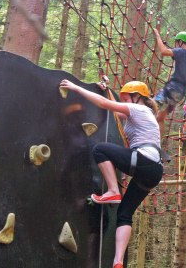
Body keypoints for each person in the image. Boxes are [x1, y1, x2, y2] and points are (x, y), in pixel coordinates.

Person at [59, 79, 164, 268]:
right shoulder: (140, 113)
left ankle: (113, 190)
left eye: (125, 98)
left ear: (137, 97)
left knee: (100, 150)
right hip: (153, 170)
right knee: (124, 213)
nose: (123, 101)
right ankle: (118, 261)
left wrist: (76, 88)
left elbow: (105, 105)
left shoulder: (139, 110)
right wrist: (106, 90)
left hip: (143, 159)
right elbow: (113, 110)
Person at [152, 29, 186, 135]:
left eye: (177, 43)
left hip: (172, 88)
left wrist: (158, 36)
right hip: (181, 93)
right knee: (159, 118)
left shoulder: (181, 51)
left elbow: (164, 51)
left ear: (180, 42)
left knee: (148, 107)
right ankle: (157, 145)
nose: (176, 45)